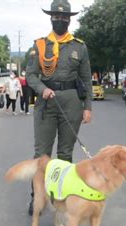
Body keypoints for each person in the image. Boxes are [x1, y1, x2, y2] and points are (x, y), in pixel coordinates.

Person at [26, 0, 92, 215]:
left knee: (65, 154)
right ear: (51, 18)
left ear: (69, 19)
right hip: (46, 101)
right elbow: (31, 75)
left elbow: (86, 79)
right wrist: (41, 89)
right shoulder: (40, 45)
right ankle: (36, 197)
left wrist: (87, 106)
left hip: (72, 102)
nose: (60, 20)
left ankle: (61, 198)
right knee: (42, 154)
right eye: (56, 16)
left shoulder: (79, 46)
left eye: (64, 17)